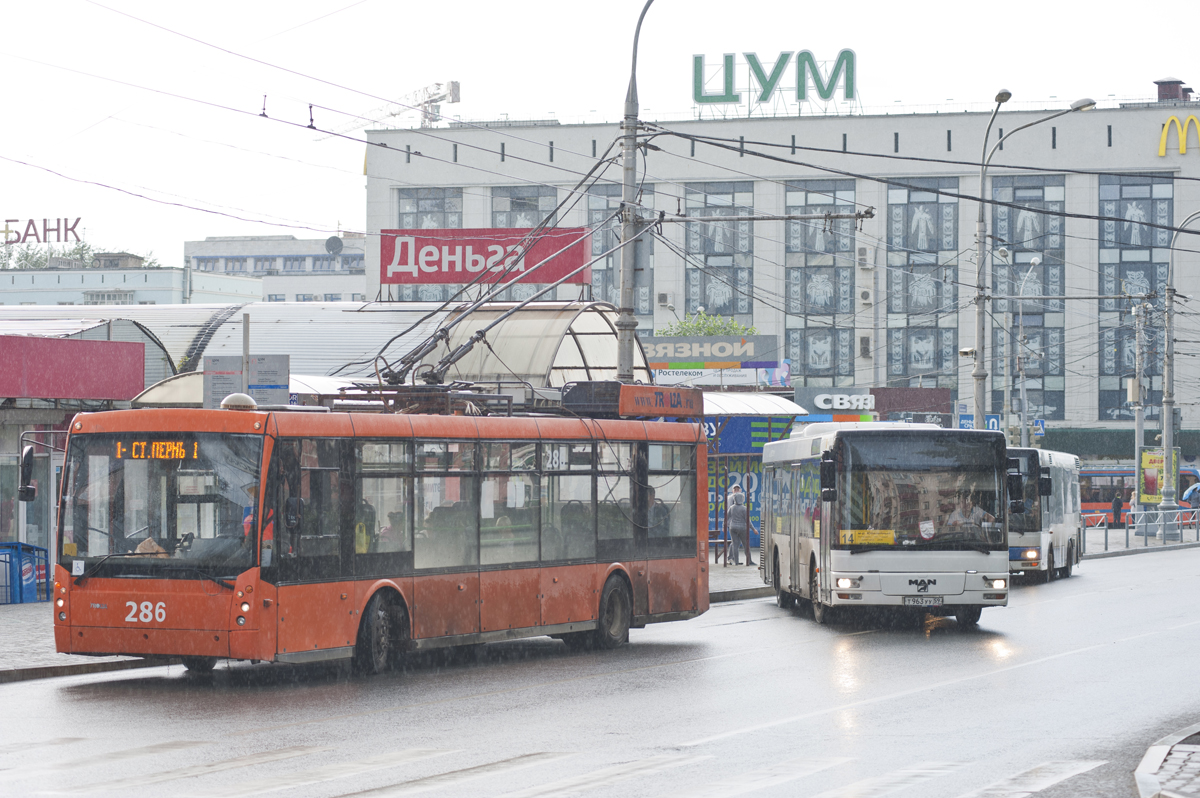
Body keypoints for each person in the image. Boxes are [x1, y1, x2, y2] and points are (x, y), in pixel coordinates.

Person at [727, 486, 754, 566]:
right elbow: (747, 520)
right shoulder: (744, 508)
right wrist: (753, 529)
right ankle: (749, 560)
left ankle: (736, 562)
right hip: (743, 528)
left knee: (735, 544)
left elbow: (727, 517)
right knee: (745, 544)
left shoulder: (731, 508)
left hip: (732, 527)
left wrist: (724, 525)